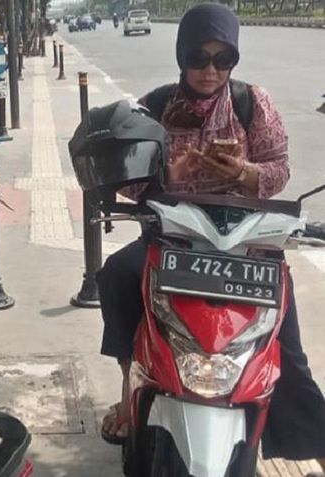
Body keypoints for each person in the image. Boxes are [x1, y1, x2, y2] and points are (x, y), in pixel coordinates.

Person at [97, 3, 325, 471]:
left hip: (245, 241)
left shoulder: (250, 102)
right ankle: (128, 393)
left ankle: (312, 440)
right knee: (117, 275)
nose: (210, 70)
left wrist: (243, 173)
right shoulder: (155, 107)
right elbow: (129, 181)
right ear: (182, 57)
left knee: (286, 340)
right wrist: (166, 176)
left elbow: (279, 169)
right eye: (199, 58)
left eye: (223, 60)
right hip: (175, 237)